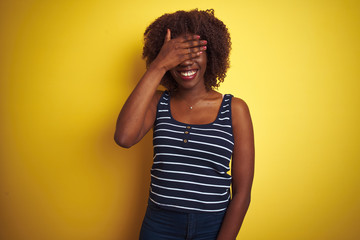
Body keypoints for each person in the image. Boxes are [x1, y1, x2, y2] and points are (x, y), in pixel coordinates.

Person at [114, 9, 254, 240]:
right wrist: (159, 65)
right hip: (159, 226)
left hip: (213, 227)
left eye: (195, 51)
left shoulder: (235, 109)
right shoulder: (158, 102)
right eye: (177, 54)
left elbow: (242, 193)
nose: (186, 61)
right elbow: (124, 138)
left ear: (211, 54)